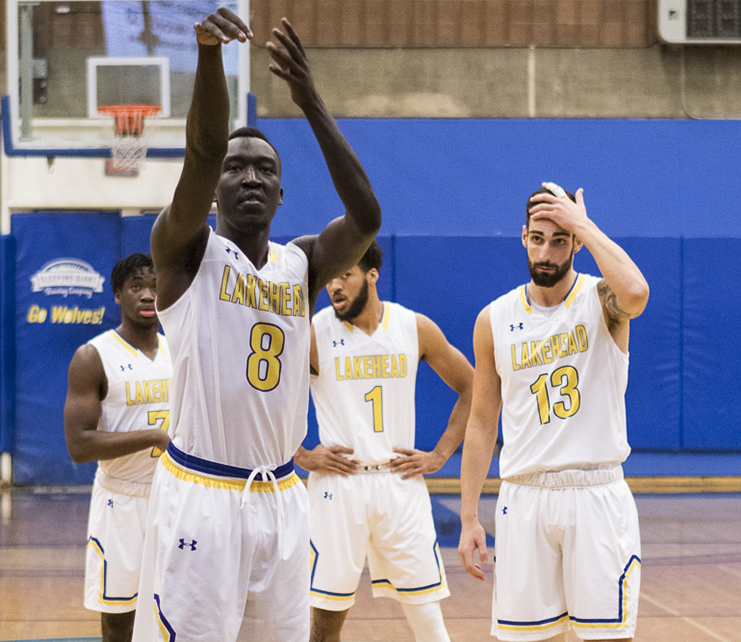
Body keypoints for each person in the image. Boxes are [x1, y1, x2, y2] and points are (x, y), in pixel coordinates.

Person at [132, 8, 381, 642]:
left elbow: (367, 218)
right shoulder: (184, 252)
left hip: (282, 497)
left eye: (265, 170)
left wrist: (311, 101)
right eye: (236, 169)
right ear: (212, 192)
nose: (249, 176)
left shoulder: (302, 266)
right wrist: (209, 52)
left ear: (280, 194)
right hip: (201, 493)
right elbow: (204, 148)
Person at [458, 183, 649, 642]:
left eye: (560, 240)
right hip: (525, 497)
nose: (547, 252)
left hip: (596, 493)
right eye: (539, 238)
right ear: (523, 236)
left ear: (577, 244)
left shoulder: (603, 300)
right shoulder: (494, 319)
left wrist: (582, 221)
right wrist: (468, 517)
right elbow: (483, 421)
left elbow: (638, 292)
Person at [296, 241, 473, 642]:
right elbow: (263, 393)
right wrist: (301, 453)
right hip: (337, 489)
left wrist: (441, 453)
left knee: (429, 621)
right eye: (330, 279)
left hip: (399, 484)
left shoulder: (414, 327)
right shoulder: (313, 332)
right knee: (325, 624)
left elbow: (472, 386)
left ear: (372, 275)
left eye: (346, 275)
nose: (334, 287)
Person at [63, 253, 172, 642]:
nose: (147, 296)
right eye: (137, 287)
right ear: (117, 296)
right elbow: (79, 444)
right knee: (119, 619)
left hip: (178, 498)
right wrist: (153, 437)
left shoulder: (182, 349)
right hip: (122, 502)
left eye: (155, 287)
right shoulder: (93, 356)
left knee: (180, 611)